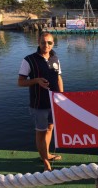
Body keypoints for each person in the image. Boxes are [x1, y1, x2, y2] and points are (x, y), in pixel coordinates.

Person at [18, 32, 64, 171]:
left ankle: (47, 154)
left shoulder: (55, 58)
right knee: (41, 132)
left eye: (49, 43)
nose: (46, 45)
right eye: (43, 42)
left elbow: (59, 78)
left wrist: (62, 97)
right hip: (39, 104)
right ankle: (45, 162)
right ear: (38, 42)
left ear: (53, 43)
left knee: (50, 128)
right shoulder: (29, 60)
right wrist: (36, 80)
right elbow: (20, 82)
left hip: (54, 102)